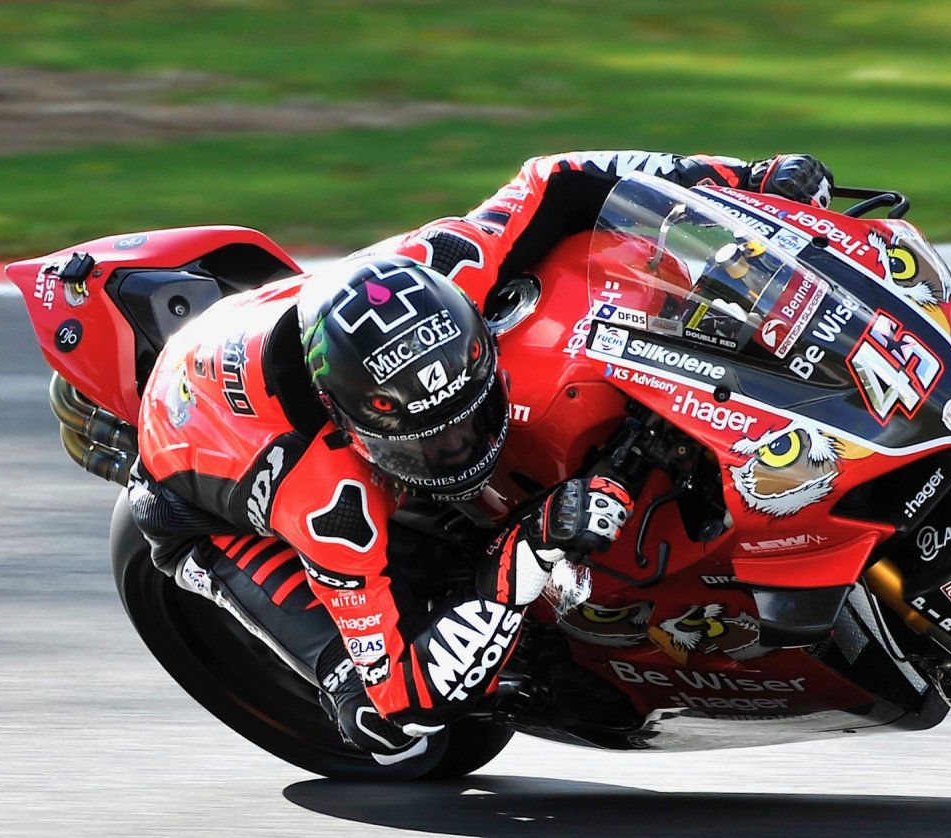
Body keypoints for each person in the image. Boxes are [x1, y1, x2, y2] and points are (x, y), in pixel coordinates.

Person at [128, 151, 834, 763]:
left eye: (471, 415)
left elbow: (561, 179)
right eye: (432, 444)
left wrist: (745, 179)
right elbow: (403, 697)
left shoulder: (451, 262)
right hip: (192, 503)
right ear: (357, 433)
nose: (463, 447)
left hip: (295, 327)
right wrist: (527, 546)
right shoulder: (327, 501)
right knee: (375, 719)